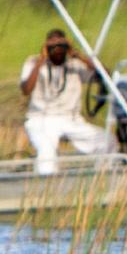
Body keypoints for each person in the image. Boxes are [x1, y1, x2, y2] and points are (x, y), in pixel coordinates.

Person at [20, 29, 114, 175]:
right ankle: (47, 186)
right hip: (41, 119)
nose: (57, 50)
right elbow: (26, 89)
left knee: (107, 140)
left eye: (61, 45)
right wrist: (41, 60)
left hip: (71, 119)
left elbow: (106, 75)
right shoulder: (33, 62)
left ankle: (102, 178)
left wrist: (78, 55)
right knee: (46, 150)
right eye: (52, 46)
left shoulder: (75, 63)